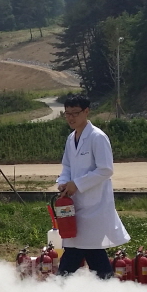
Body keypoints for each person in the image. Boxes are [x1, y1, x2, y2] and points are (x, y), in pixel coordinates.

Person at [55, 93, 129, 278]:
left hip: (95, 206)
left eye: (75, 113)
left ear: (86, 111)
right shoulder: (71, 138)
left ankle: (60, 286)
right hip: (74, 205)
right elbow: (67, 166)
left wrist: (77, 184)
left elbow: (106, 169)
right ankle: (102, 287)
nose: (71, 118)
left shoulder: (97, 137)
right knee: (84, 250)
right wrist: (63, 182)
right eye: (67, 114)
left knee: (85, 250)